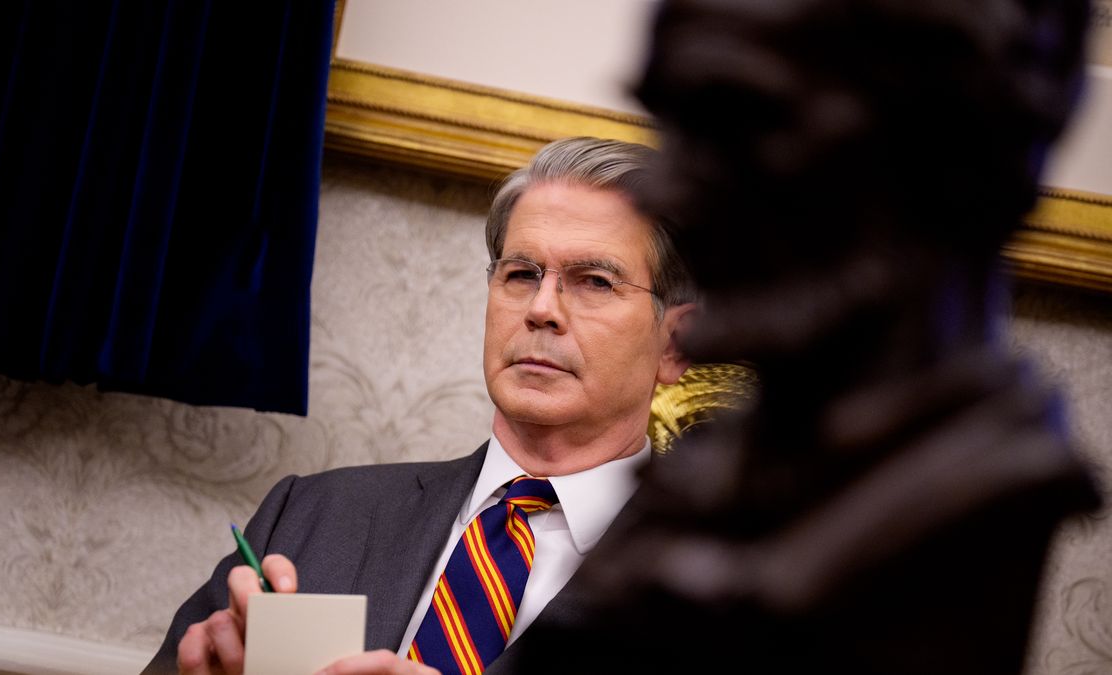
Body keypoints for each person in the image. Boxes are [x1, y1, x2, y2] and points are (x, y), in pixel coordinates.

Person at [518, 0, 1103, 673]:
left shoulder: (963, 497)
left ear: (940, 154)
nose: (666, 193)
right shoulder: (726, 459)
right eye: (672, 128)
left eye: (740, 124)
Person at [142, 136, 697, 675]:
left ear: (675, 344)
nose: (541, 307)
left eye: (595, 281)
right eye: (522, 273)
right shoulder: (310, 514)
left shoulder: (725, 591)